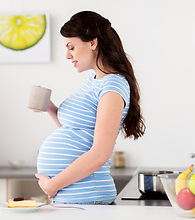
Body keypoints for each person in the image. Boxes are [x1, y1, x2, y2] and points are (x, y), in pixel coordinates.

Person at [35, 11, 145, 205]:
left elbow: (99, 155)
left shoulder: (112, 87)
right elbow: (77, 131)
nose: (67, 55)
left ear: (93, 43)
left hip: (88, 198)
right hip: (74, 199)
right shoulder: (94, 80)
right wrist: (50, 108)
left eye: (71, 47)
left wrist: (53, 185)